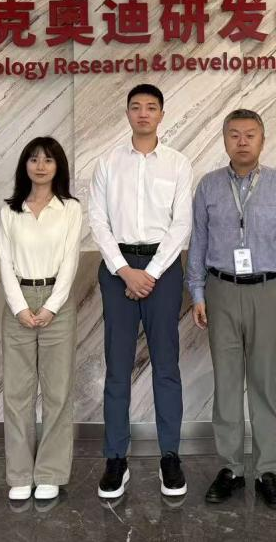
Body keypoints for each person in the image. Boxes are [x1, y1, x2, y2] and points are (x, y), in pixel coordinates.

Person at [187, 109, 276, 509]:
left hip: (268, 291)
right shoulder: (208, 186)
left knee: (263, 382)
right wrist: (197, 293)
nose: (242, 141)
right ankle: (231, 468)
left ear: (262, 140)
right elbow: (198, 243)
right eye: (234, 134)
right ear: (224, 140)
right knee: (225, 384)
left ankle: (267, 468)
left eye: (250, 134)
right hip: (220, 290)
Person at [88, 83, 193, 498]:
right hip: (118, 270)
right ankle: (116, 458)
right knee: (117, 367)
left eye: (151, 107)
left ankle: (170, 456)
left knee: (166, 365)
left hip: (162, 269)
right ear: (127, 113)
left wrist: (148, 272)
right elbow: (98, 221)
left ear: (162, 115)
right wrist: (124, 271)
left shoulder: (178, 164)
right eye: (136, 107)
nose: (144, 113)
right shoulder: (107, 162)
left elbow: (181, 224)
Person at [0, 137, 83, 503]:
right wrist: (19, 307)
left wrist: (52, 306)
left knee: (57, 391)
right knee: (17, 392)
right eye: (33, 159)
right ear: (25, 166)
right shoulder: (10, 211)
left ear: (58, 166)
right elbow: (4, 262)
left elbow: (70, 260)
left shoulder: (70, 209)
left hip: (56, 303)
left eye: (48, 160)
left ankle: (49, 472)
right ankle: (19, 473)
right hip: (17, 300)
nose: (41, 166)